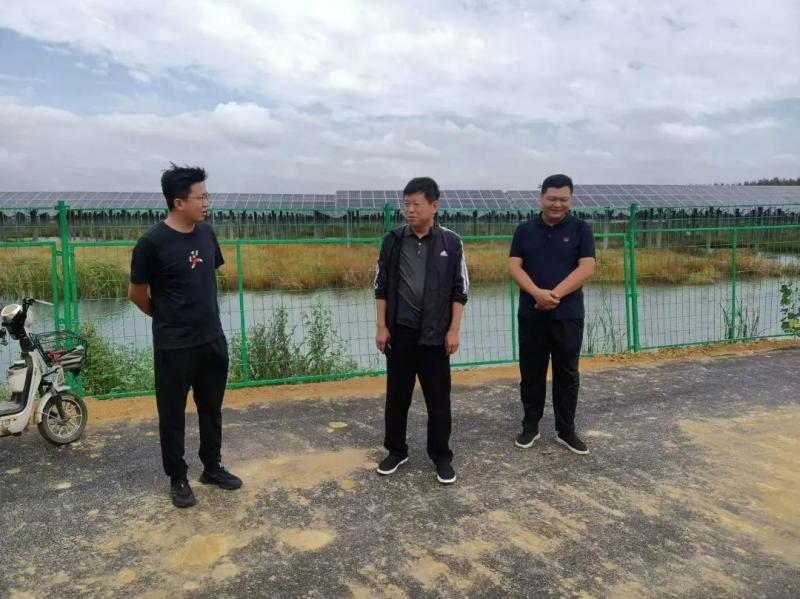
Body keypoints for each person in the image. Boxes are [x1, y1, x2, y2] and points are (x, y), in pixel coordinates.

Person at [128, 163, 242, 508]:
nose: (206, 203)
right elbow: (136, 294)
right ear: (179, 202)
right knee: (172, 415)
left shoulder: (206, 233)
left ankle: (212, 467)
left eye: (207, 196)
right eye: (200, 197)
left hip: (211, 339)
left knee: (211, 409)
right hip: (174, 346)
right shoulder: (151, 244)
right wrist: (165, 317)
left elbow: (205, 278)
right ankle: (178, 477)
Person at [373, 177, 469, 484]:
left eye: (416, 204)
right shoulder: (393, 240)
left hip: (435, 336)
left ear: (434, 205)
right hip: (400, 334)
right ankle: (396, 450)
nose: (410, 210)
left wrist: (453, 330)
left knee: (438, 401)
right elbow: (381, 285)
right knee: (396, 398)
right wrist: (382, 326)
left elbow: (460, 290)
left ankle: (441, 456)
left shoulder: (451, 242)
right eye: (406, 204)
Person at [508, 174, 596, 454]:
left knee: (567, 373)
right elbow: (514, 266)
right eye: (552, 199)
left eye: (564, 199)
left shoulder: (581, 229)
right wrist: (537, 293)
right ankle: (530, 426)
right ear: (541, 198)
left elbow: (586, 267)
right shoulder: (524, 230)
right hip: (531, 314)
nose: (558, 204)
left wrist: (554, 295)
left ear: (571, 200)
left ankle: (566, 430)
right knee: (531, 372)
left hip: (567, 315)